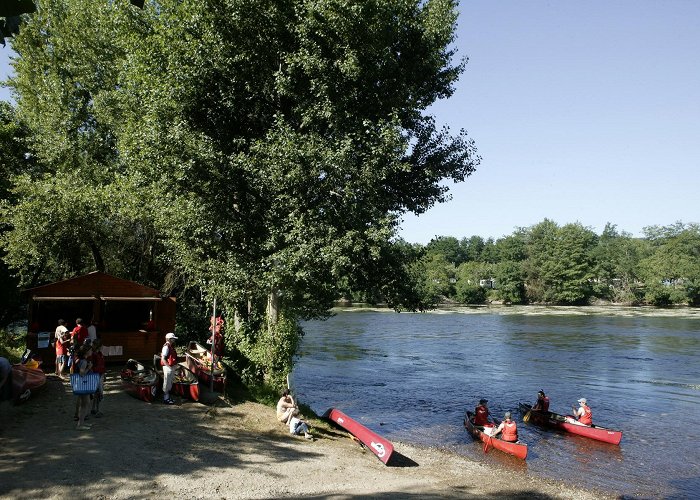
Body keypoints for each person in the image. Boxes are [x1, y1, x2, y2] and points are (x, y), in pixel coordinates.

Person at [74, 344, 93, 430]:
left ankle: (81, 423)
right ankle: (80, 425)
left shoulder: (80, 360)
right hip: (83, 384)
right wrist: (89, 368)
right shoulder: (84, 362)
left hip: (81, 383)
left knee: (85, 403)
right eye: (90, 350)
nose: (91, 351)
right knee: (85, 404)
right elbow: (82, 374)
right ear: (86, 352)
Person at [160, 332, 178, 405]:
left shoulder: (170, 346)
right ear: (169, 339)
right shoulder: (166, 347)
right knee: (167, 382)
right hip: (168, 367)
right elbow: (163, 359)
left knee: (169, 382)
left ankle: (167, 397)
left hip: (170, 367)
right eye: (173, 339)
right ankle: (165, 399)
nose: (174, 340)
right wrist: (169, 367)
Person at [90, 339, 105, 417]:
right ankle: (97, 410)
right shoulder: (94, 355)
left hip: (100, 374)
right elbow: (92, 365)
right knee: (98, 392)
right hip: (96, 374)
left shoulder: (99, 354)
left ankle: (94, 408)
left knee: (97, 393)